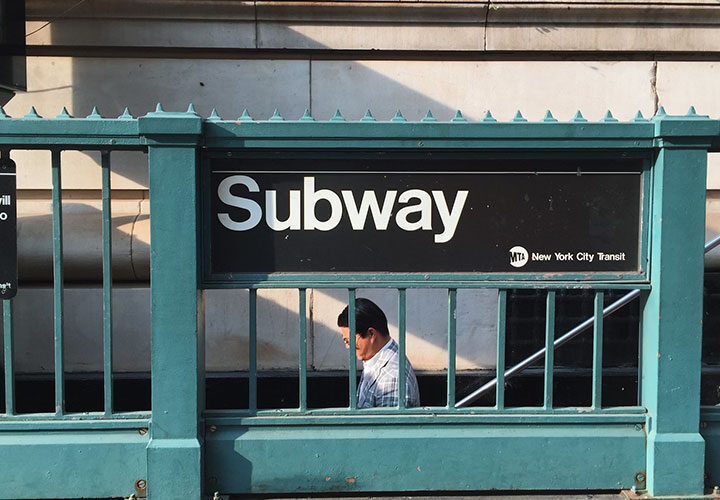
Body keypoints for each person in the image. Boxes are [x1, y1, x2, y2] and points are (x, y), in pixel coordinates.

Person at [337, 298, 420, 408]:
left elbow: (388, 425)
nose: (347, 347)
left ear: (371, 334)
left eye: (349, 341)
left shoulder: (391, 379)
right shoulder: (378, 357)